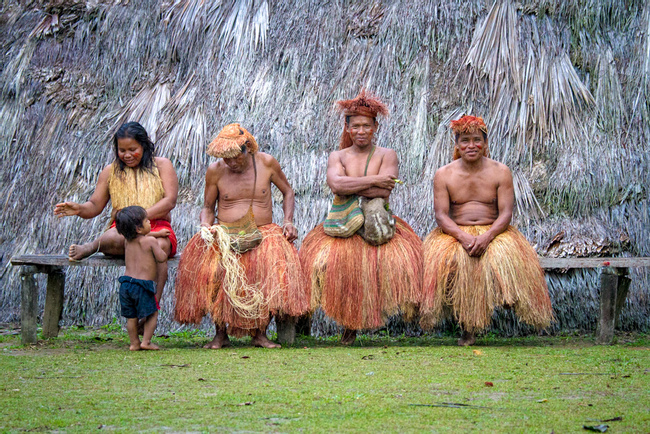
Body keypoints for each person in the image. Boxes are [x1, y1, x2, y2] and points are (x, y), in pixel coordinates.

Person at [299, 90, 422, 345]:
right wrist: (376, 179)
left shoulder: (387, 155)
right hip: (343, 221)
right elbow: (336, 186)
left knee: (374, 270)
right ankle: (348, 325)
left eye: (367, 125)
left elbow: (384, 191)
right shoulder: (338, 156)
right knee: (338, 270)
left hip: (377, 223)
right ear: (347, 127)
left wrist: (352, 184)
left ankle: (364, 321)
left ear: (375, 126)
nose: (361, 131)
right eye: (355, 126)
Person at [420, 115, 553, 345]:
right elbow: (441, 215)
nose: (471, 146)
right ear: (456, 144)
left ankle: (516, 303)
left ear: (486, 143)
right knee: (460, 262)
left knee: (490, 261)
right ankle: (467, 327)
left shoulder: (501, 172)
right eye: (465, 141)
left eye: (476, 140)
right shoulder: (444, 174)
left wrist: (487, 237)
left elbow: (505, 214)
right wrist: (462, 237)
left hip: (495, 233)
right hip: (455, 233)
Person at [174, 123, 311, 349]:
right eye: (226, 159)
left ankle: (259, 334)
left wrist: (288, 221)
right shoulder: (215, 171)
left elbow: (287, 192)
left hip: (264, 232)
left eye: (236, 157)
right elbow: (208, 207)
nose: (231, 163)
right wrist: (206, 227)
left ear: (247, 148)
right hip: (226, 232)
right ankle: (220, 334)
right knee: (215, 271)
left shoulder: (266, 163)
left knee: (265, 269)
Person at [54, 122, 178, 304]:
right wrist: (79, 209)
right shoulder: (110, 171)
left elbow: (170, 201)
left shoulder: (162, 165)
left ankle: (151, 303)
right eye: (122, 150)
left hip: (156, 226)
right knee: (113, 238)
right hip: (122, 231)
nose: (127, 155)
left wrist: (140, 217)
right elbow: (95, 205)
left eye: (132, 149)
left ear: (144, 145)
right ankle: (93, 246)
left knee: (160, 247)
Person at [114, 206, 167, 351]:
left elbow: (142, 237)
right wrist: (161, 247)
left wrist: (157, 234)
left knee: (131, 317)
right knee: (152, 312)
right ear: (138, 228)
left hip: (126, 284)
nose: (150, 222)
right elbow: (162, 258)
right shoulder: (150, 242)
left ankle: (134, 343)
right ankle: (146, 341)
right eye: (147, 221)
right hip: (142, 286)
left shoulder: (127, 241)